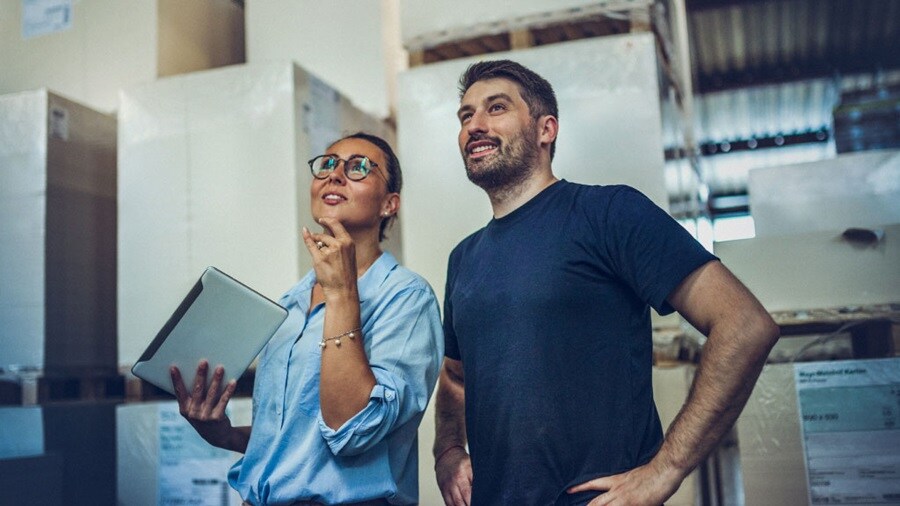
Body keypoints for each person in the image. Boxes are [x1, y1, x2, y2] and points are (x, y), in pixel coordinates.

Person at [433, 60, 780, 506]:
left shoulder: (608, 213)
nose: (474, 126)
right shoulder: (464, 258)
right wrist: (447, 450)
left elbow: (745, 324)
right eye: (465, 116)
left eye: (495, 108)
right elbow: (455, 376)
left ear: (546, 129)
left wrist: (665, 469)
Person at [170, 132, 444, 506]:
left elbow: (351, 431)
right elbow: (298, 441)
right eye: (327, 164)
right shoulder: (290, 303)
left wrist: (341, 294)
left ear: (389, 204)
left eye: (358, 167)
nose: (335, 174)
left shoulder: (407, 299)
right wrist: (226, 435)